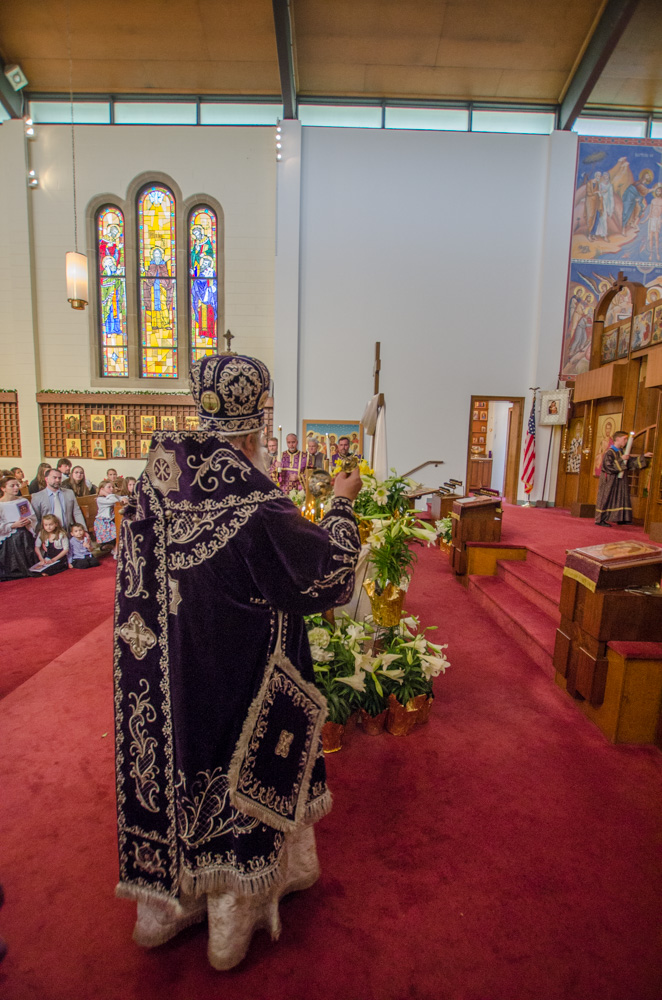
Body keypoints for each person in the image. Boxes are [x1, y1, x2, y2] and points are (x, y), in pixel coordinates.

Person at [114, 353, 362, 971]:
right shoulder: (257, 503)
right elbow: (327, 575)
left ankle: (171, 907)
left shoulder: (155, 481)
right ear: (256, 429)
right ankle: (231, 919)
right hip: (241, 678)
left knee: (185, 769)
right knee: (236, 772)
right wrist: (340, 504)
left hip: (168, 680)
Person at [595, 430, 652, 526]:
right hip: (609, 479)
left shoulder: (622, 451)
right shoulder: (609, 452)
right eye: (624, 439)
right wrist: (621, 459)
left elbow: (630, 462)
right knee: (606, 498)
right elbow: (608, 466)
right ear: (617, 439)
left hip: (620, 479)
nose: (626, 441)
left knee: (621, 497)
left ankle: (621, 518)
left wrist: (644, 457)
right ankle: (600, 519)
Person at [0, 476, 38, 580]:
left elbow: (31, 517)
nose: (16, 488)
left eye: (17, 485)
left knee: (23, 534)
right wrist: (13, 525)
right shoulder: (1, 505)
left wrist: (28, 521)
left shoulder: (22, 501)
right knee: (17, 536)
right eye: (12, 486)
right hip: (8, 535)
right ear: (3, 488)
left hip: (24, 532)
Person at [93, 479, 126, 554]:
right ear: (102, 489)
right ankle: (114, 548)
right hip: (103, 522)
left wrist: (123, 498)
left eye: (113, 487)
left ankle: (114, 548)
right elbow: (114, 501)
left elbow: (122, 497)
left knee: (119, 531)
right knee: (118, 532)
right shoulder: (100, 499)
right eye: (109, 487)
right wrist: (108, 495)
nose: (112, 489)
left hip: (110, 521)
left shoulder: (112, 496)